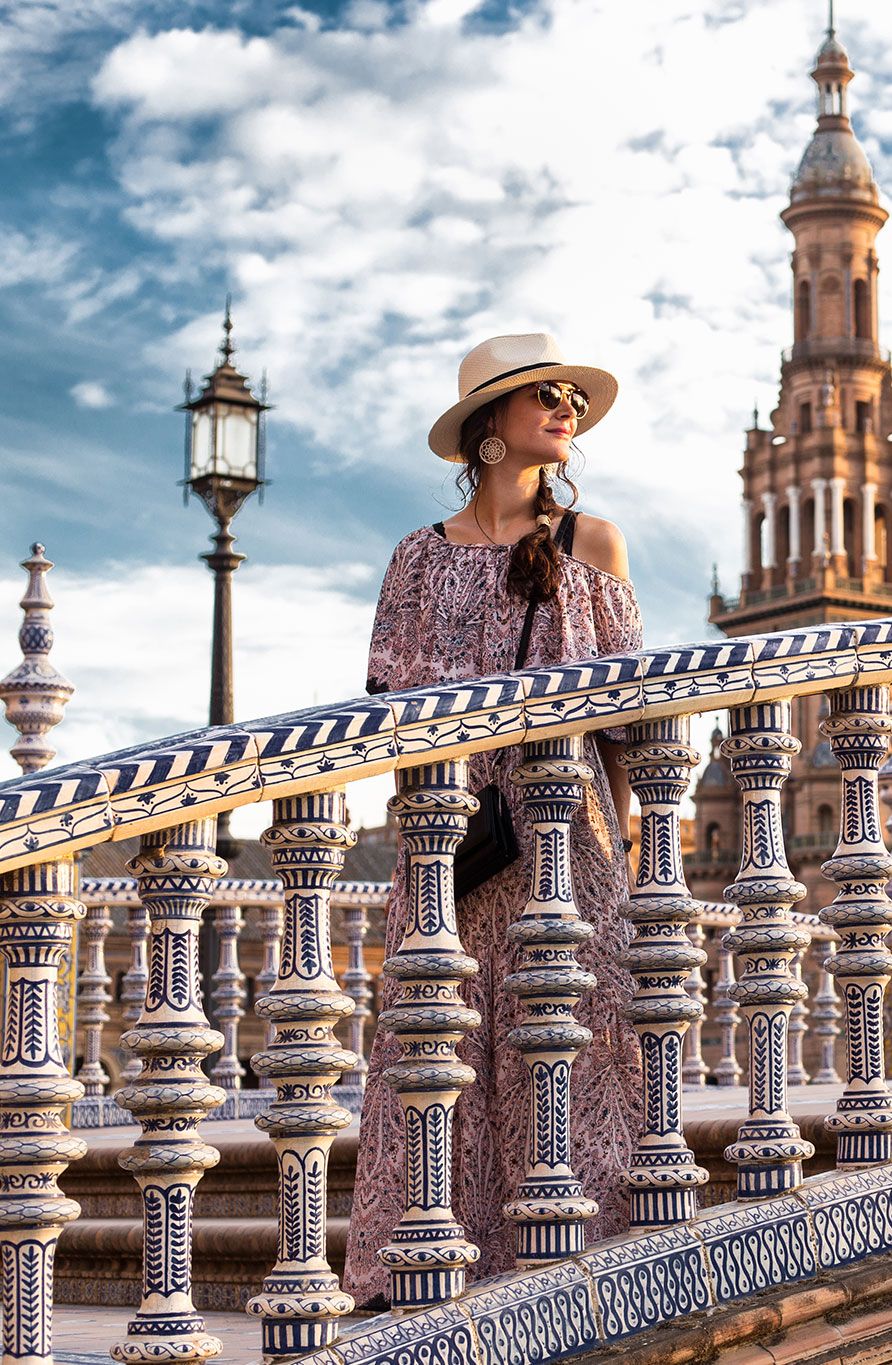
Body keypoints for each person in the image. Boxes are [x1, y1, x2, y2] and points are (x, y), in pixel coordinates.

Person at [344, 333, 644, 1303]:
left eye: (570, 397)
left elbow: (625, 726)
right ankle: (424, 1262)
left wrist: (629, 847)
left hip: (569, 841)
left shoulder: (590, 543)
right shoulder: (418, 560)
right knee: (443, 1039)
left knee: (575, 1038)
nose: (565, 409)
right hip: (455, 842)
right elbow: (385, 700)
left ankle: (577, 1261)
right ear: (487, 430)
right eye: (542, 396)